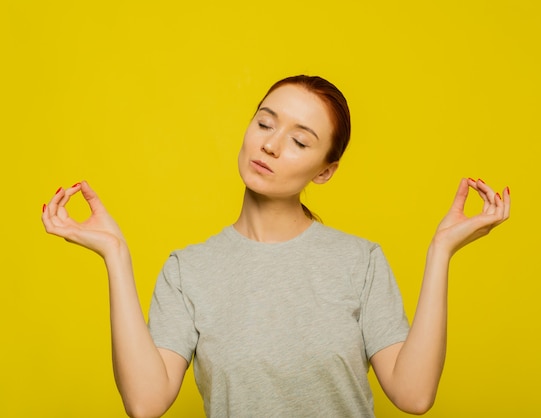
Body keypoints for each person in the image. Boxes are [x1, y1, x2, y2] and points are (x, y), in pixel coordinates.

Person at [42, 75, 510, 418]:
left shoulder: (359, 262)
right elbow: (145, 402)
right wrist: (115, 255)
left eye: (300, 141)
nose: (270, 145)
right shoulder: (189, 270)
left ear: (325, 171)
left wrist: (441, 251)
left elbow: (414, 394)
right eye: (265, 123)